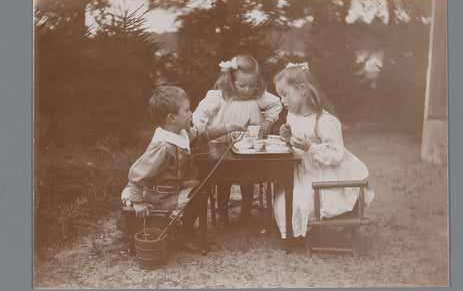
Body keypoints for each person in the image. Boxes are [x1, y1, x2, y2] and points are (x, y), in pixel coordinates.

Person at [122, 86, 243, 252]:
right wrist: (138, 201)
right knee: (198, 195)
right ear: (172, 117)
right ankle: (182, 234)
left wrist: (228, 127)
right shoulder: (163, 147)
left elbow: (202, 134)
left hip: (170, 190)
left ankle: (182, 229)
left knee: (201, 187)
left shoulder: (180, 133)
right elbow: (137, 175)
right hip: (157, 196)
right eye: (186, 110)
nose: (191, 113)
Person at [273, 62, 374, 239]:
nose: (282, 100)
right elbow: (297, 144)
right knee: (282, 202)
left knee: (295, 205)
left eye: (285, 94)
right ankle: (294, 232)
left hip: (323, 178)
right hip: (303, 174)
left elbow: (336, 153)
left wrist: (310, 147)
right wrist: (287, 136)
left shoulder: (323, 120)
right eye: (280, 96)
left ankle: (299, 234)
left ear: (302, 89)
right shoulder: (293, 115)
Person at [193, 55, 282, 226]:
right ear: (230, 81)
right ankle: (222, 212)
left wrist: (268, 120)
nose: (247, 90)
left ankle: (246, 212)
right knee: (223, 179)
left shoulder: (258, 96)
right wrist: (201, 127)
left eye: (252, 85)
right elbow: (200, 112)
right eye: (242, 85)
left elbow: (276, 104)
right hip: (221, 145)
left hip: (248, 146)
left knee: (247, 178)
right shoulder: (220, 96)